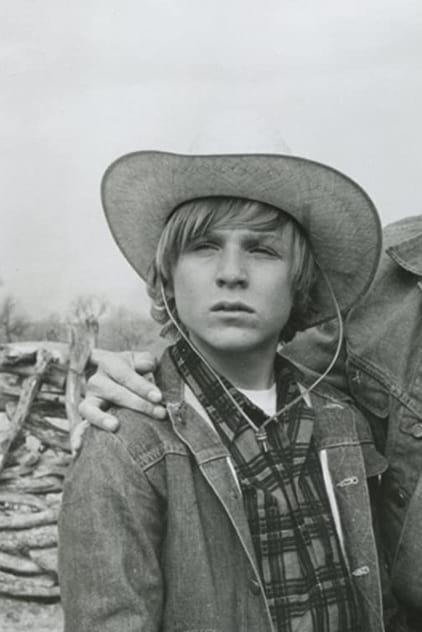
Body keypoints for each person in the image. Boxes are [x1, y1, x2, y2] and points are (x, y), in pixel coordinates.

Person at [60, 149, 386, 631]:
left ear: (300, 283)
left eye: (262, 250)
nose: (231, 273)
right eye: (204, 246)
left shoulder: (344, 425)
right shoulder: (125, 448)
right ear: (168, 280)